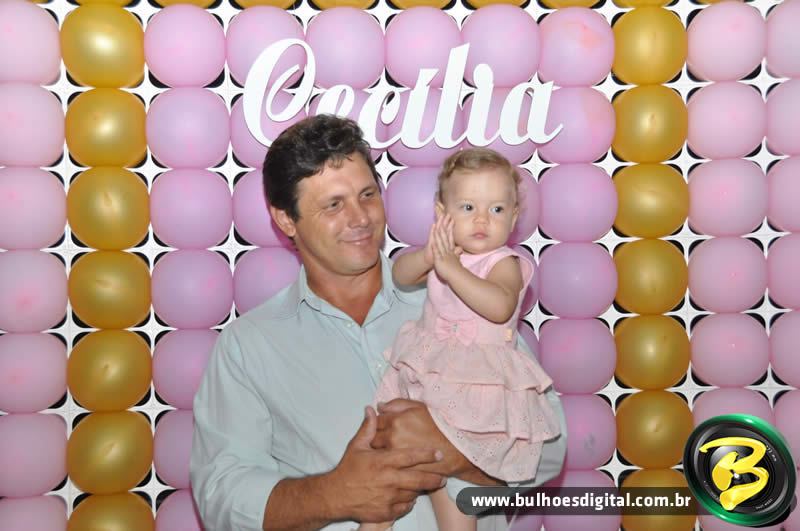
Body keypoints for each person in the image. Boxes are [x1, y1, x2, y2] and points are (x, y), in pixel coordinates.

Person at [190, 114, 567, 531]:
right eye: (334, 205)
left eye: (367, 195)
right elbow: (220, 495)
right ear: (285, 220)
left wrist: (458, 453)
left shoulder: (461, 296)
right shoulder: (249, 346)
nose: (360, 218)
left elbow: (552, 446)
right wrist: (335, 494)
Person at [361, 149, 561, 531]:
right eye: (468, 207)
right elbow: (401, 275)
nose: (482, 219)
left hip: (476, 396)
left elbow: (500, 305)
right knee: (395, 456)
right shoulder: (444, 254)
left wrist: (452, 270)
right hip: (432, 382)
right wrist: (431, 257)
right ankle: (376, 521)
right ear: (442, 214)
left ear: (514, 218)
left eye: (497, 210)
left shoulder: (502, 262)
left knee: (453, 483)